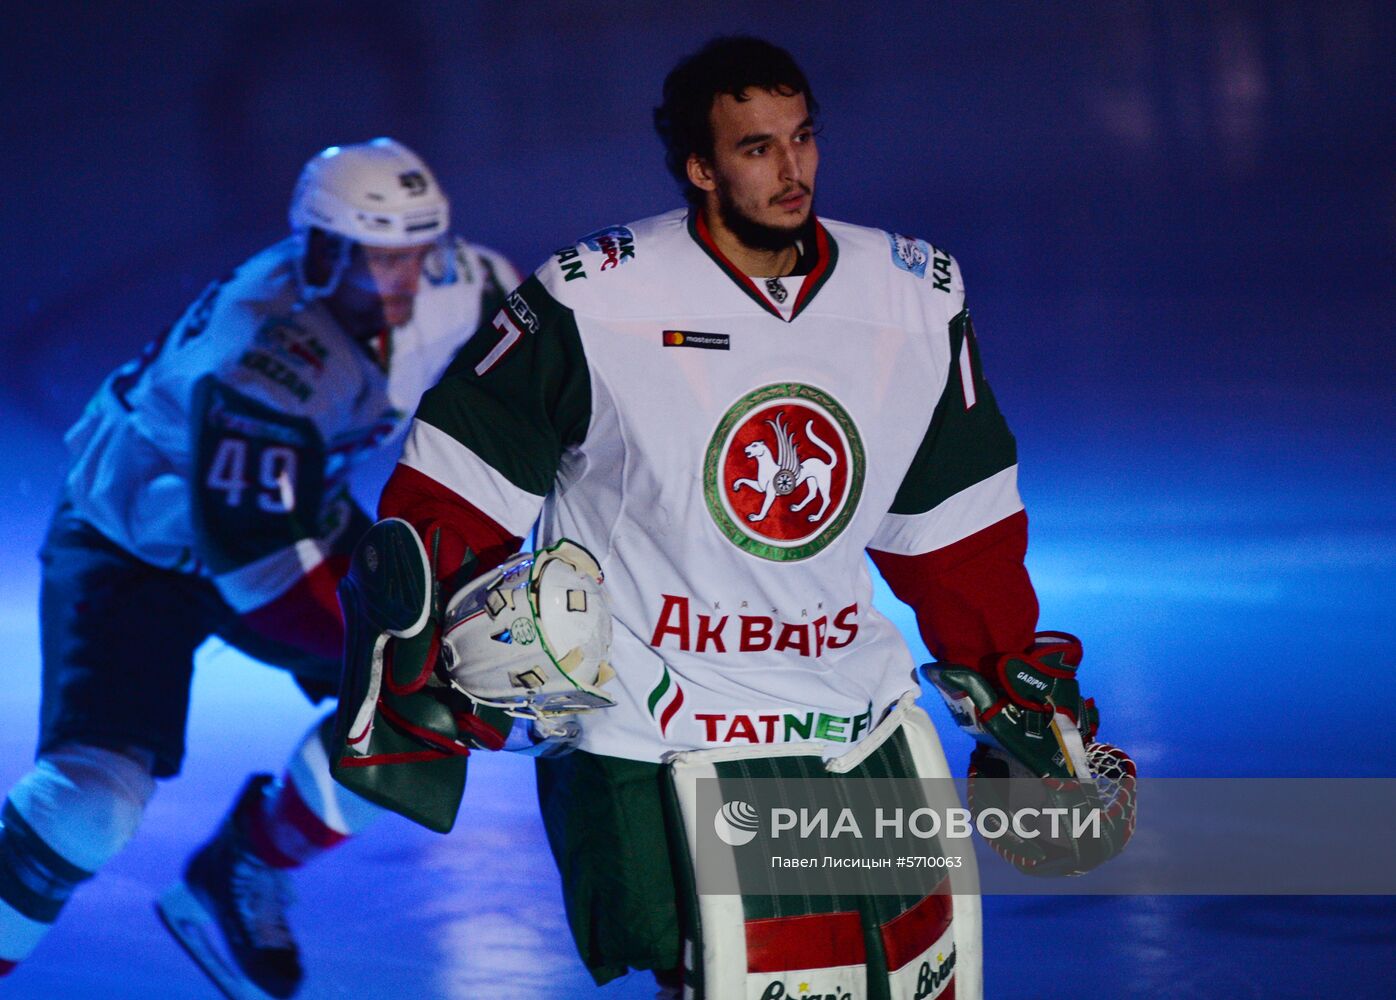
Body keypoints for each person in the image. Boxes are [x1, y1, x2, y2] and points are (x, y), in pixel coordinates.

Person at [368, 37, 1121, 999]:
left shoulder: (912, 294)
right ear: (700, 166)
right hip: (657, 726)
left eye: (802, 138)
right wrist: (432, 646)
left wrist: (1007, 678)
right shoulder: (594, 296)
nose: (792, 167)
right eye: (758, 147)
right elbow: (451, 490)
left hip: (855, 715)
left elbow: (953, 524)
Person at [0, 138, 517, 998]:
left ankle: (237, 870)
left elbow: (544, 397)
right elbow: (268, 585)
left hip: (275, 515)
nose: (399, 283)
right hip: (137, 548)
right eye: (377, 258)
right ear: (319, 252)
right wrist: (423, 644)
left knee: (423, 720)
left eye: (415, 255)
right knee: (90, 806)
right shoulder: (263, 362)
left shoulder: (470, 286)